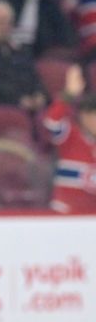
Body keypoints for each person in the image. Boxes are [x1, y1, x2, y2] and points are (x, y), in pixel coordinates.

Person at [0, 0, 47, 111]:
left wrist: (39, 94)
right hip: (2, 105)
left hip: (29, 104)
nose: (3, 27)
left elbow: (33, 76)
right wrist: (18, 100)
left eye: (8, 22)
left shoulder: (21, 49)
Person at [42, 64, 96, 213]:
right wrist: (68, 95)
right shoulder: (70, 135)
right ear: (84, 116)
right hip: (65, 213)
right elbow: (51, 122)